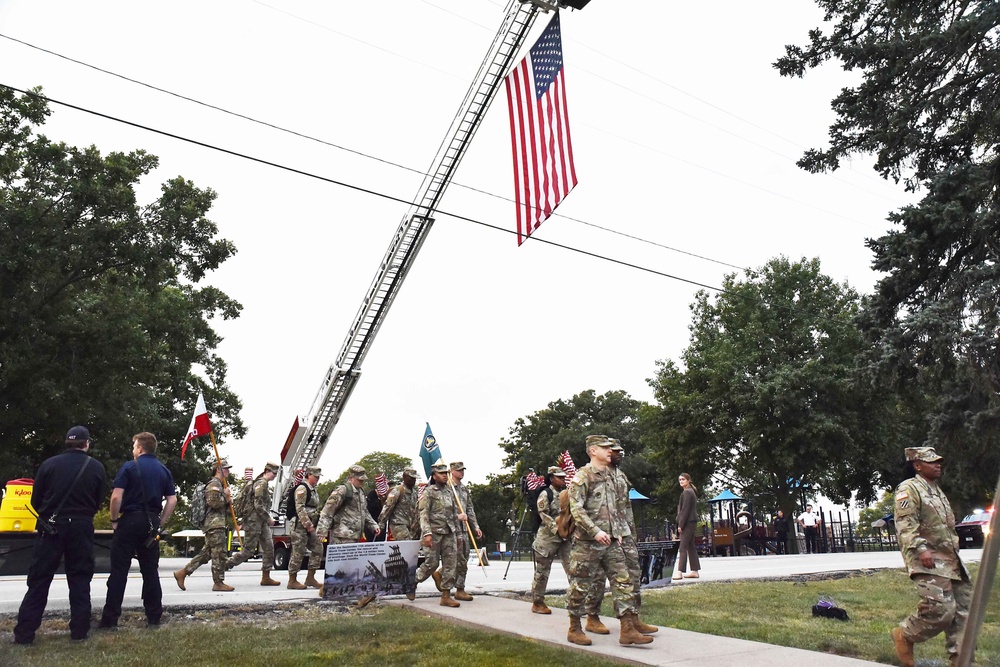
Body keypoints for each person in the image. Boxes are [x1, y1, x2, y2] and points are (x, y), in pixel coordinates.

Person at [14, 426, 106, 645]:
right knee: (80, 579)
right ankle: (79, 631)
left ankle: (25, 633)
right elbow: (98, 500)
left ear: (67, 442)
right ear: (86, 443)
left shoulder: (49, 465)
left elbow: (36, 501)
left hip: (51, 527)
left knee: (39, 580)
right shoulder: (96, 467)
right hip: (82, 526)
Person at [565, 435, 651, 647]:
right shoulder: (583, 476)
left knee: (623, 581)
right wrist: (594, 531)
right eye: (605, 448)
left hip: (611, 541)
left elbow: (616, 507)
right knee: (580, 585)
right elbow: (576, 509)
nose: (609, 451)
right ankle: (574, 627)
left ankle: (627, 629)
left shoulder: (612, 476)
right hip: (588, 542)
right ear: (593, 451)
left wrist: (619, 531)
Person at [890, 447, 973, 667]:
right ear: (917, 465)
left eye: (939, 462)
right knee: (940, 611)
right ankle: (905, 634)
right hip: (928, 561)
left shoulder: (936, 490)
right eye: (932, 462)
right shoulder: (909, 489)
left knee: (965, 614)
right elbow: (906, 525)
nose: (938, 465)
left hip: (951, 561)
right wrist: (920, 549)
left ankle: (961, 661)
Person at [100, 432, 177, 629]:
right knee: (150, 571)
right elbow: (172, 500)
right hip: (151, 521)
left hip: (130, 520)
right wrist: (160, 522)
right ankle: (154, 617)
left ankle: (110, 619)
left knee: (119, 571)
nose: (133, 449)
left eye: (134, 446)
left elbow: (116, 497)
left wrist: (114, 520)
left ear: (140, 448)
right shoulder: (163, 470)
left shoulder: (129, 467)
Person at [583, 440, 658, 636]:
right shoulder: (596, 474)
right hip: (601, 533)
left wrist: (630, 533)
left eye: (618, 451)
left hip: (622, 532)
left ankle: (633, 619)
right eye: (615, 451)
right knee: (597, 578)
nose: (618, 454)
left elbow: (625, 507)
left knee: (632, 574)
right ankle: (592, 616)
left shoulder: (620, 475)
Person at [174, 458, 235, 592]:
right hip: (214, 524)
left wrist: (227, 498)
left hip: (216, 523)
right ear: (218, 470)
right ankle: (218, 582)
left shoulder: (219, 484)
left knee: (206, 554)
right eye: (226, 468)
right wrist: (226, 497)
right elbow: (213, 503)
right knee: (219, 553)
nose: (228, 471)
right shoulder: (214, 484)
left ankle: (183, 573)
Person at [414, 463, 463, 607]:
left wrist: (458, 535)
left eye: (446, 473)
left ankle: (446, 595)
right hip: (434, 533)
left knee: (450, 563)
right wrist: (427, 534)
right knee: (431, 563)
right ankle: (412, 583)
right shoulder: (429, 492)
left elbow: (454, 515)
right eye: (441, 473)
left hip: (449, 533)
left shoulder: (449, 492)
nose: (444, 475)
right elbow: (423, 514)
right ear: (434, 476)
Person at [224, 461, 280, 586]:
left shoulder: (262, 483)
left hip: (260, 521)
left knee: (269, 547)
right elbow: (258, 505)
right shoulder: (261, 484)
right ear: (267, 472)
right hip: (253, 521)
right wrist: (269, 519)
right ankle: (224, 565)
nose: (275, 476)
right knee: (248, 551)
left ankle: (266, 577)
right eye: (273, 473)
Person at [530, 466, 569, 615]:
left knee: (573, 568)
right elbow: (543, 513)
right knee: (542, 572)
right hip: (547, 538)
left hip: (565, 538)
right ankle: (538, 602)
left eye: (564, 477)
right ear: (552, 478)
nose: (563, 480)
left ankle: (576, 602)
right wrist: (556, 528)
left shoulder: (566, 494)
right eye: (560, 477)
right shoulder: (546, 494)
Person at [449, 461, 482, 602]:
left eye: (463, 470)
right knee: (454, 559)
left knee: (464, 557)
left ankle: (460, 589)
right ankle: (445, 584)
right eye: (458, 470)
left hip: (464, 528)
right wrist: (456, 517)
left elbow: (470, 509)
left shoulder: (463, 489)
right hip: (451, 529)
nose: (461, 472)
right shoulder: (448, 488)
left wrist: (476, 526)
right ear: (451, 470)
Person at [286, 466, 322, 590]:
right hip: (300, 526)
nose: (317, 479)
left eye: (318, 477)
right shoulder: (302, 488)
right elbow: (299, 508)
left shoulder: (313, 490)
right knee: (298, 552)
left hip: (310, 525)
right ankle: (292, 580)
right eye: (315, 476)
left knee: (318, 548)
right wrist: (308, 524)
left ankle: (310, 578)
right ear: (309, 475)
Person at [378, 467, 420, 541]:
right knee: (406, 545)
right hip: (398, 524)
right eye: (411, 478)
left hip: (411, 526)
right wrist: (381, 524)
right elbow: (387, 507)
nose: (413, 481)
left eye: (414, 479)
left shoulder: (414, 493)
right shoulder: (397, 491)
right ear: (404, 477)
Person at [673, 472, 701, 579]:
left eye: (683, 479)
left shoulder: (687, 492)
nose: (681, 481)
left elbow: (685, 510)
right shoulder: (689, 491)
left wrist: (680, 524)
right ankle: (694, 571)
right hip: (691, 521)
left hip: (688, 522)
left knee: (682, 547)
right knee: (690, 546)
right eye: (680, 480)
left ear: (688, 480)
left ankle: (679, 572)